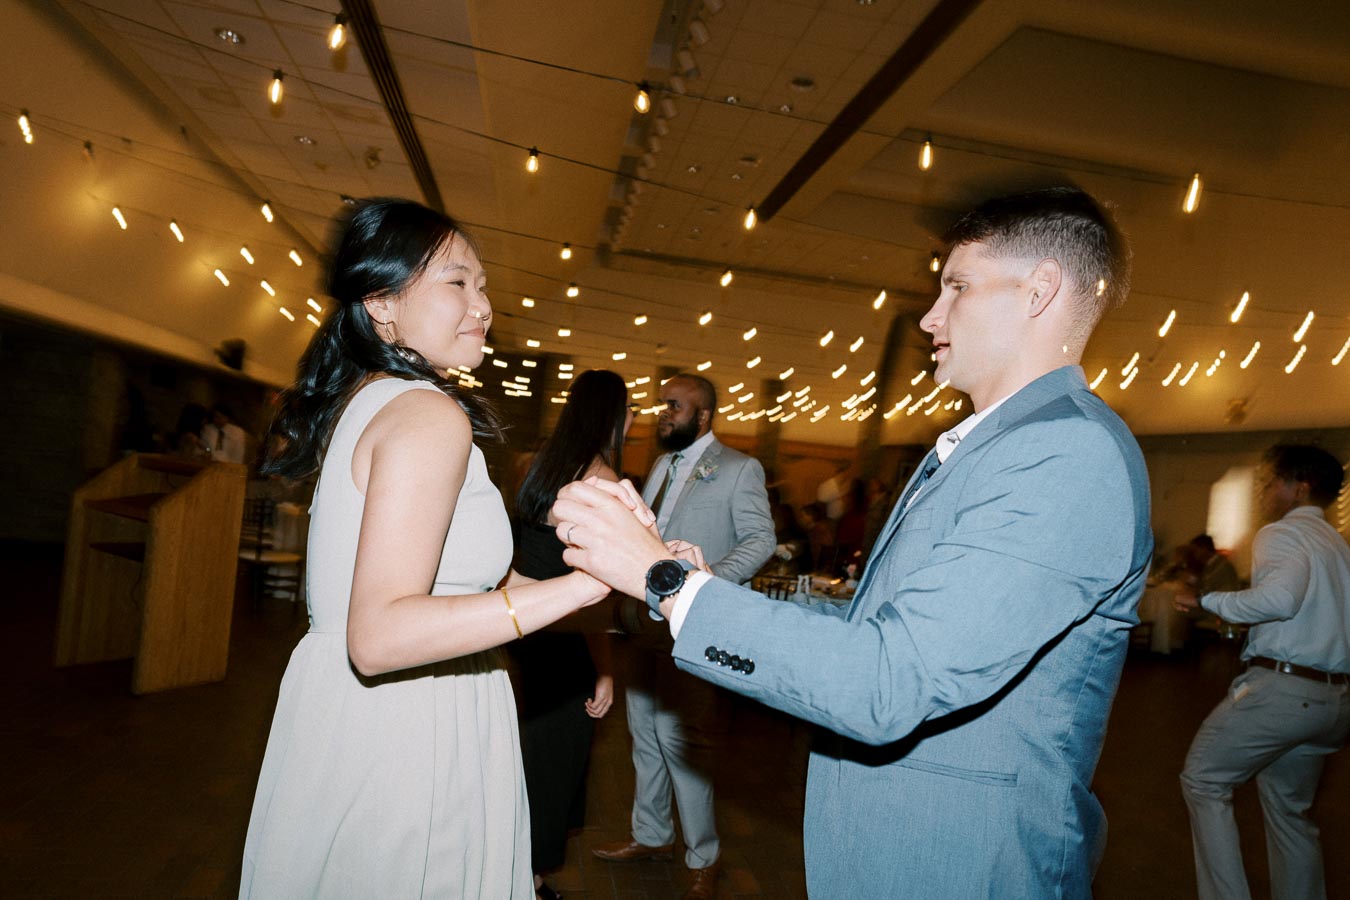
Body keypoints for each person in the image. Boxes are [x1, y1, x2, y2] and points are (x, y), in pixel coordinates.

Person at [554, 187, 1151, 897]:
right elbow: (876, 626)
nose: (931, 315)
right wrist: (700, 586)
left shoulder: (1067, 453)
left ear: (1039, 290)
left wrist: (664, 581)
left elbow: (888, 679)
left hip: (965, 864)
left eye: (956, 286)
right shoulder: (994, 448)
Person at [239, 198, 608, 899]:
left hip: (358, 711)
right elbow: (378, 635)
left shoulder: (377, 397)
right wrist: (584, 587)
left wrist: (608, 579)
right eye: (456, 282)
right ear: (382, 303)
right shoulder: (429, 415)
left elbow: (481, 591)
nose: (483, 306)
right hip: (409, 725)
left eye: (483, 285)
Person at [590, 373, 775, 900]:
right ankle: (651, 835)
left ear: (704, 416)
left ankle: (704, 856)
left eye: (673, 405)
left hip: (689, 624)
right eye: (661, 405)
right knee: (644, 736)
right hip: (639, 622)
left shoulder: (740, 468)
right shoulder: (659, 464)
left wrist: (705, 585)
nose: (662, 413)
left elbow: (762, 538)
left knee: (683, 741)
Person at [1176, 445, 1350, 900]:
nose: (1262, 491)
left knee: (1203, 779)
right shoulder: (1338, 545)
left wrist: (1206, 602)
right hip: (1334, 702)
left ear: (1299, 488)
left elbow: (1278, 601)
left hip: (1284, 692)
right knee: (1290, 811)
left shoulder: (1282, 533)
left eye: (1269, 481)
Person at [510, 369, 630, 900]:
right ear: (613, 418)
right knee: (555, 759)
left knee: (524, 752)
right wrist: (604, 667)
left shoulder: (537, 468)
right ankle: (531, 882)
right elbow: (597, 589)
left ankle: (513, 868)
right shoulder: (603, 484)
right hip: (564, 634)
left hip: (518, 626)